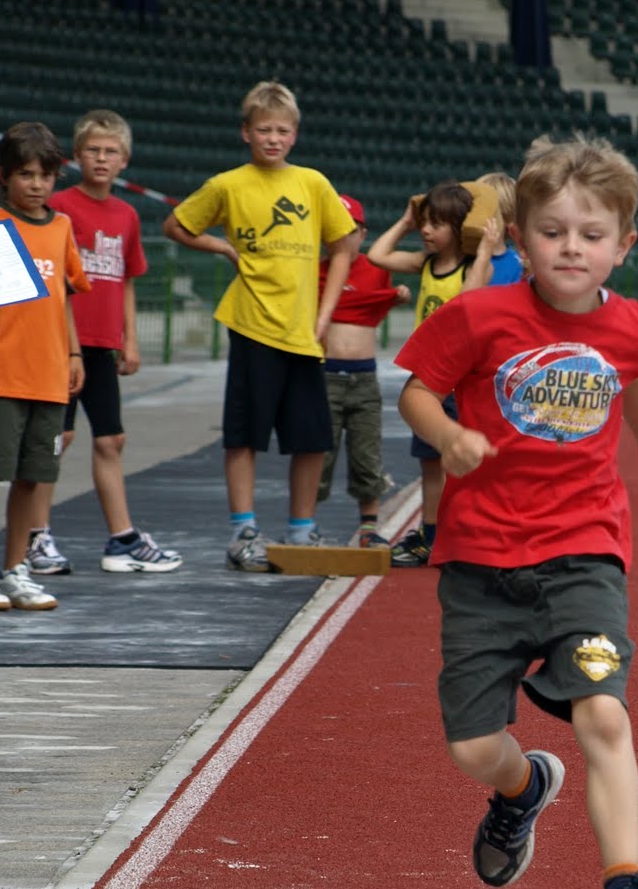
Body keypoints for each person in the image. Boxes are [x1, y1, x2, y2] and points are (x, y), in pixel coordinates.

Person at [395, 134, 638, 889]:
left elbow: (636, 381)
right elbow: (418, 391)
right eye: (554, 231)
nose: (572, 248)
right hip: (480, 563)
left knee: (603, 712)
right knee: (472, 749)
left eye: (591, 234)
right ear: (521, 241)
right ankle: (525, 787)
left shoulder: (630, 324)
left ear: (622, 245)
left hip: (584, 556)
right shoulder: (478, 316)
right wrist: (449, 436)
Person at [162, 80, 358, 568]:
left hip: (302, 333)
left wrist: (325, 314)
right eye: (264, 130)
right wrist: (222, 247)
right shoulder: (227, 185)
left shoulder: (312, 183)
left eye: (282, 131)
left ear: (295, 135)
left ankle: (302, 529)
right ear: (246, 132)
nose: (273, 138)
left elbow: (345, 247)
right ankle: (243, 530)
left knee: (313, 437)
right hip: (251, 325)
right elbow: (176, 225)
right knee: (244, 434)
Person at [0, 121, 88, 612]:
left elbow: (64, 298)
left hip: (50, 377)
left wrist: (74, 354)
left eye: (45, 175)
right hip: (0, 373)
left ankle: (15, 570)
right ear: (4, 175)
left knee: (33, 478)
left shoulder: (62, 226)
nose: (36, 184)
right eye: (25, 174)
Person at [31, 109, 182, 575]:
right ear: (77, 156)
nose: (101, 158)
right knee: (56, 437)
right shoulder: (59, 206)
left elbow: (127, 278)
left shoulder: (127, 215)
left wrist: (129, 340)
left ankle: (122, 539)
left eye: (110, 151)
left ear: (124, 160)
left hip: (102, 344)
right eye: (93, 150)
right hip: (62, 342)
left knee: (111, 439)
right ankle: (36, 535)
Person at [367, 181, 495, 568]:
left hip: (460, 381)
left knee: (461, 462)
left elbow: (469, 298)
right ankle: (431, 535)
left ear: (459, 228)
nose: (426, 230)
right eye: (424, 222)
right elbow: (377, 255)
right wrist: (405, 222)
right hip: (430, 381)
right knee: (430, 464)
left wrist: (483, 249)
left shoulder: (473, 267)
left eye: (436, 224)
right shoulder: (424, 263)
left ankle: (468, 533)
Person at [316, 194, 411, 547]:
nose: (342, 238)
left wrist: (397, 297)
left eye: (350, 230)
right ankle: (304, 523)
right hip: (325, 376)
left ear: (363, 233)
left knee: (367, 455)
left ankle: (369, 527)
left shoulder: (376, 269)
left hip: (364, 378)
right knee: (318, 455)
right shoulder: (315, 271)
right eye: (334, 231)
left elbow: (373, 308)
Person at [476, 170, 524, 286]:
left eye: (487, 211)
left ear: (507, 218)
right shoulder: (461, 257)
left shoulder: (518, 266)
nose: (477, 216)